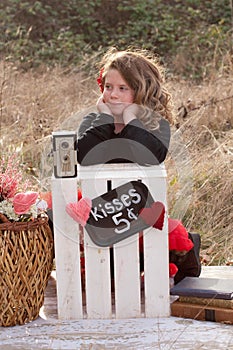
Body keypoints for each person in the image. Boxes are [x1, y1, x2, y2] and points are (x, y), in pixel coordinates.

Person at [77, 47, 175, 166]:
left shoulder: (156, 125)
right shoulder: (93, 122)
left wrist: (130, 118)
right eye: (108, 87)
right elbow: (84, 157)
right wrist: (105, 117)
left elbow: (151, 158)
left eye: (122, 88)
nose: (113, 95)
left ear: (141, 92)